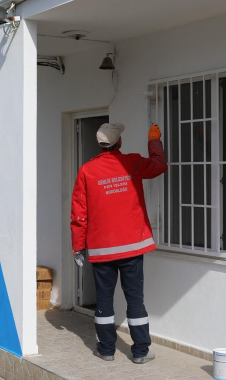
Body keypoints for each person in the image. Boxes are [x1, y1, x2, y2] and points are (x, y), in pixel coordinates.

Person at [71, 122, 168, 364]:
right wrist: (154, 140)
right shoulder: (133, 162)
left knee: (104, 300)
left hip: (102, 250)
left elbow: (79, 214)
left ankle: (106, 350)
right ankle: (141, 352)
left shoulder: (86, 171)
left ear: (100, 144)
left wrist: (77, 247)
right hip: (132, 248)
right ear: (119, 143)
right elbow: (160, 166)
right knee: (135, 299)